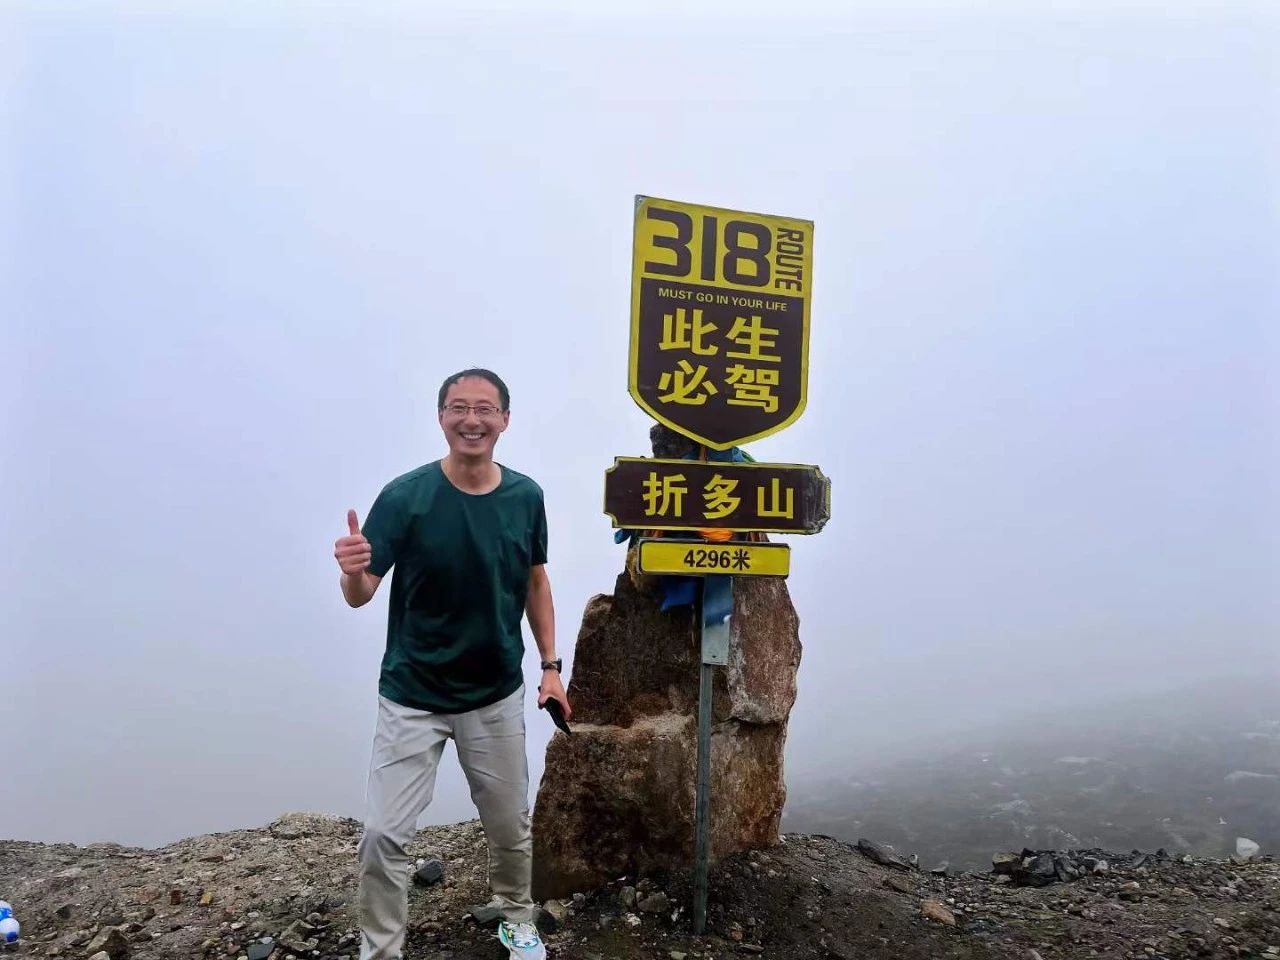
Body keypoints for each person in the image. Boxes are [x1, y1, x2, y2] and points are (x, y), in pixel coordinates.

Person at [333, 368, 571, 960]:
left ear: (505, 419)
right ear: (441, 417)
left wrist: (550, 666)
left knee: (510, 826)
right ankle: (380, 950)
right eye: (459, 407)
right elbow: (361, 594)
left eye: (485, 408)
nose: (472, 419)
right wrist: (352, 571)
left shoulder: (525, 497)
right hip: (411, 695)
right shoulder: (405, 497)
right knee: (384, 835)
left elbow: (535, 580)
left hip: (493, 693)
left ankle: (515, 917)